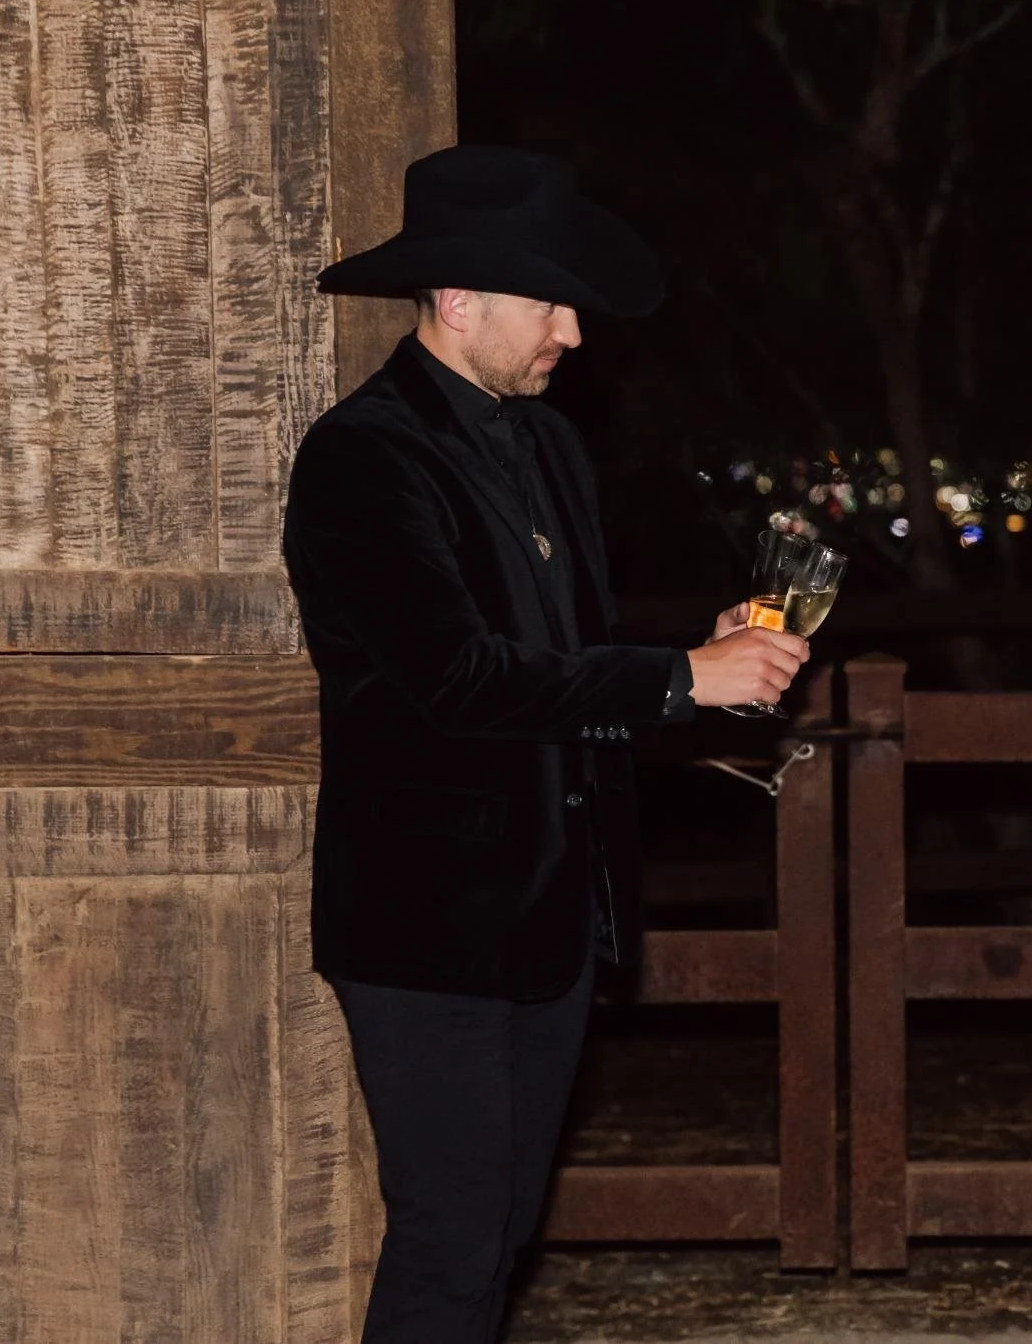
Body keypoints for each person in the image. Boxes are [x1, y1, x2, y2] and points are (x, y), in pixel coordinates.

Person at [281, 144, 810, 1344]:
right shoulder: (362, 456)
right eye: (550, 303)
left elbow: (556, 653)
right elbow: (455, 680)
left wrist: (695, 656)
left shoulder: (550, 446)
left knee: (504, 1236)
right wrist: (680, 678)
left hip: (554, 912)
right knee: (450, 1238)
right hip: (428, 923)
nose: (571, 331)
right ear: (459, 299)